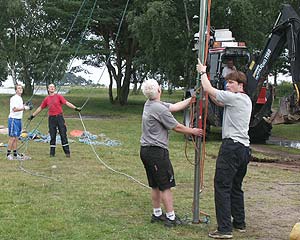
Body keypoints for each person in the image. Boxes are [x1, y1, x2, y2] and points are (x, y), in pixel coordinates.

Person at [197, 59, 252, 239]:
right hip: (244, 149)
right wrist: (208, 93)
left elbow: (211, 90)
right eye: (227, 82)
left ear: (240, 85)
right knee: (236, 186)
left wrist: (202, 72)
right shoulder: (244, 100)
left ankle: (224, 229)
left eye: (231, 83)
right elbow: (217, 99)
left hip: (231, 148)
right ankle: (239, 223)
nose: (228, 85)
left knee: (222, 186)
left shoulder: (235, 98)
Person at [140, 79, 203, 227]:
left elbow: (174, 107)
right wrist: (193, 131)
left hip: (146, 150)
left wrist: (191, 98)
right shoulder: (159, 109)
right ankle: (171, 217)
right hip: (156, 152)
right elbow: (177, 127)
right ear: (159, 90)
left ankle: (157, 214)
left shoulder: (150, 104)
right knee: (165, 185)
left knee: (155, 185)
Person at [28, 83, 81, 158]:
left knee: (63, 134)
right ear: (48, 89)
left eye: (53, 87)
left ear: (55, 89)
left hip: (59, 117)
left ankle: (67, 153)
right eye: (50, 87)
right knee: (52, 135)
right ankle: (52, 154)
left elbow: (67, 103)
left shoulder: (59, 96)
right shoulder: (46, 99)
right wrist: (32, 116)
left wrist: (75, 108)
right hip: (51, 118)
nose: (52, 88)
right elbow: (40, 108)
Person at [7, 84, 31, 160]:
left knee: (16, 138)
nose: (20, 89)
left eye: (21, 88)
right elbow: (14, 109)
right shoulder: (14, 98)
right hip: (13, 119)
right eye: (18, 88)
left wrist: (25, 105)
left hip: (18, 119)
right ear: (16, 90)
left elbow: (20, 107)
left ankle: (15, 153)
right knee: (12, 138)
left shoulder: (20, 98)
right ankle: (8, 154)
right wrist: (25, 108)